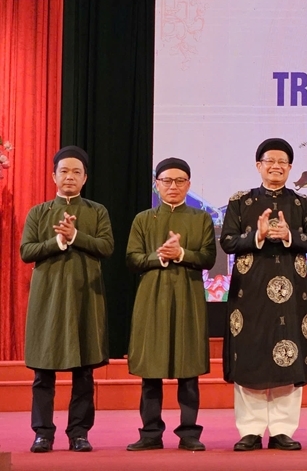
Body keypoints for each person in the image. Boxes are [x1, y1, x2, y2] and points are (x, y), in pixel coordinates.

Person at [221, 138, 307, 451]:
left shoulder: (302, 205)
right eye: (270, 161)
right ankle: (250, 430)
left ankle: (282, 429)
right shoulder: (241, 203)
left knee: (288, 354)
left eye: (282, 162)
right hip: (249, 292)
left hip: (292, 293)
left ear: (290, 168)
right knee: (250, 354)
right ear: (259, 165)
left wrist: (290, 235)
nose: (276, 167)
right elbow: (227, 241)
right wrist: (259, 235)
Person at [20, 146, 114, 453]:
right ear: (53, 177)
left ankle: (79, 433)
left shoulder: (97, 212)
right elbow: (26, 251)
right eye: (64, 171)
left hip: (85, 298)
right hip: (47, 300)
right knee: (43, 372)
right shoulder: (39, 212)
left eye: (76, 172)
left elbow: (106, 247)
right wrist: (57, 241)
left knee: (84, 371)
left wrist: (75, 237)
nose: (69, 177)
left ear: (85, 178)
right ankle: (42, 433)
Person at [125, 158, 216, 452]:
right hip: (151, 298)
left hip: (188, 297)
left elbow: (208, 258)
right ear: (157, 184)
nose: (173, 186)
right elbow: (132, 259)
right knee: (151, 370)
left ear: (188, 185)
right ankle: (150, 432)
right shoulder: (143, 219)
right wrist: (160, 256)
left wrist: (182, 253)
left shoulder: (201, 219)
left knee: (189, 370)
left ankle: (189, 433)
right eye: (166, 180)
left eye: (179, 181)